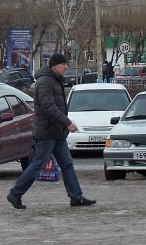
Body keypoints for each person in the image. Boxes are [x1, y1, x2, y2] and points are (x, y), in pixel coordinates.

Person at [7, 53, 96, 209]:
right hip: (47, 132)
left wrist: (63, 126)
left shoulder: (55, 80)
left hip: (57, 132)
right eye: (64, 65)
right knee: (38, 165)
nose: (67, 67)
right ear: (55, 66)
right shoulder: (45, 82)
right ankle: (15, 194)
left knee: (67, 164)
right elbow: (49, 108)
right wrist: (67, 123)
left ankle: (76, 197)